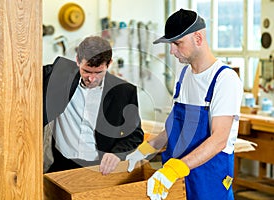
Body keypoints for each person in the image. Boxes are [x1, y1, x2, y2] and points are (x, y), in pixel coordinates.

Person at [126, 8, 243, 200]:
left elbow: (219, 139)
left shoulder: (224, 79)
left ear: (198, 38)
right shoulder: (184, 75)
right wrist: (144, 150)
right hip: (179, 176)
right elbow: (172, 130)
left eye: (177, 43)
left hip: (209, 178)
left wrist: (173, 170)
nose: (172, 51)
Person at [43, 36, 144, 175]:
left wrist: (117, 154)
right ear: (78, 60)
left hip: (100, 168)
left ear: (109, 64)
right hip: (60, 164)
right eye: (86, 71)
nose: (91, 79)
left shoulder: (124, 91)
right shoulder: (59, 75)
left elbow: (135, 134)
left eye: (98, 72)